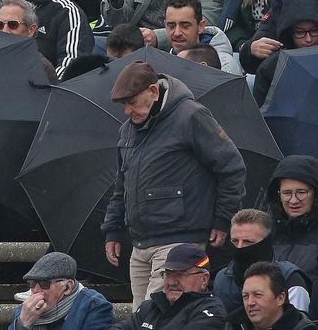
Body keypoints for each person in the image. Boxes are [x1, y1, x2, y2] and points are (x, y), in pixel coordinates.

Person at [103, 62, 247, 307]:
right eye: (123, 105)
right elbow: (122, 185)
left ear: (154, 91)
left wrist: (223, 219)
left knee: (155, 316)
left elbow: (232, 167)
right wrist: (112, 229)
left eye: (132, 102)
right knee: (144, 319)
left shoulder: (190, 115)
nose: (127, 111)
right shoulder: (127, 130)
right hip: (140, 243)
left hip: (180, 239)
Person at [249, 0, 318, 105]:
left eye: (314, 31)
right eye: (300, 32)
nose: (308, 39)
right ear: (289, 33)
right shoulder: (271, 69)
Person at [213, 211, 313, 315]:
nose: (239, 247)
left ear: (265, 243)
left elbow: (300, 324)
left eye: (248, 242)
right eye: (235, 241)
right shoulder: (222, 280)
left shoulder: (290, 279)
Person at [109, 243, 227, 330]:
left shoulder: (211, 313)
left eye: (181, 274)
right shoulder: (151, 307)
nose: (171, 282)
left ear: (204, 279)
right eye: (168, 274)